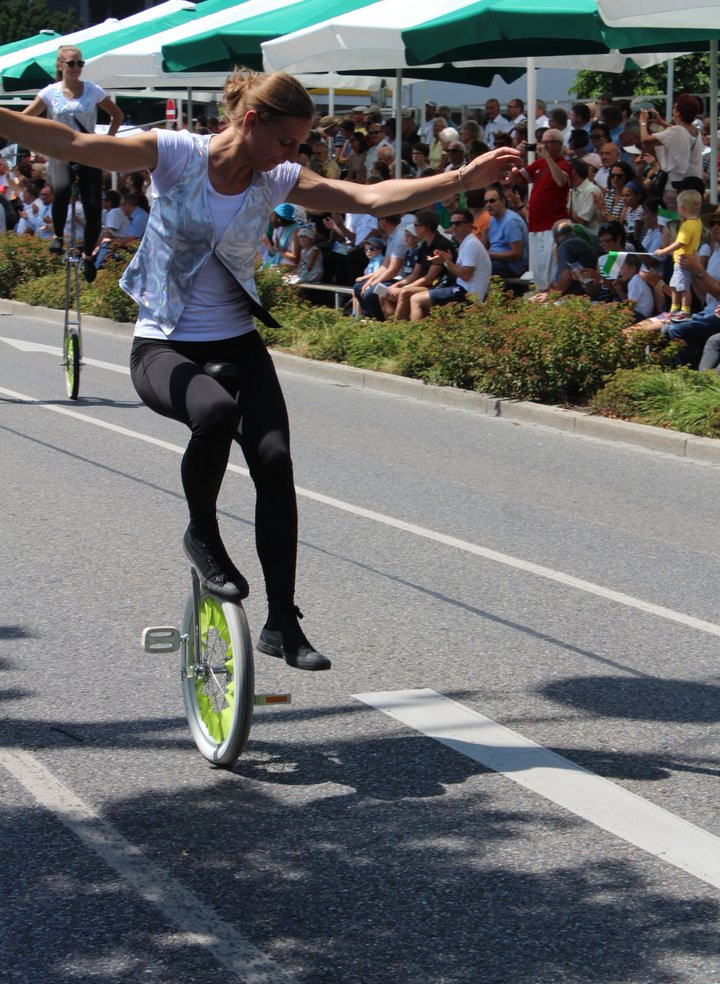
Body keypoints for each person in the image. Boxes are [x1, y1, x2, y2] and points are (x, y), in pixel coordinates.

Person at [0, 68, 519, 671]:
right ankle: (201, 532)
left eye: (300, 146)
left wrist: (463, 176)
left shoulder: (275, 178)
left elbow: (367, 197)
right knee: (214, 412)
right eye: (286, 142)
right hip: (164, 344)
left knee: (274, 462)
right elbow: (72, 146)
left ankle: (282, 622)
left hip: (239, 341)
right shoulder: (173, 154)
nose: (292, 156)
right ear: (250, 122)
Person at [22, 43, 124, 282]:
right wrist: (38, 143)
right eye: (71, 63)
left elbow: (117, 114)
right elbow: (25, 118)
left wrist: (109, 140)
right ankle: (58, 236)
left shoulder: (92, 90)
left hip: (88, 151)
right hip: (60, 152)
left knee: (93, 209)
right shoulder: (50, 92)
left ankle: (88, 256)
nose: (76, 67)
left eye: (80, 63)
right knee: (62, 190)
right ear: (60, 66)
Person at [409, 208, 492, 320]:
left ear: (469, 225)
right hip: (461, 289)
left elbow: (466, 275)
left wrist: (447, 261)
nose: (453, 226)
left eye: (458, 223)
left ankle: (414, 336)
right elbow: (460, 274)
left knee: (416, 300)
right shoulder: (467, 243)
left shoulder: (471, 244)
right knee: (421, 299)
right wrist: (447, 262)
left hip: (467, 294)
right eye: (451, 223)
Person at [518, 129, 572, 290]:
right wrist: (518, 155)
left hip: (552, 227)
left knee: (551, 270)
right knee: (539, 272)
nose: (545, 145)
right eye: (543, 142)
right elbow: (517, 177)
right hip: (535, 226)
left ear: (559, 145)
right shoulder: (538, 164)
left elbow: (561, 181)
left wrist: (547, 157)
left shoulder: (564, 164)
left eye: (549, 142)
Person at [654, 188, 703, 320]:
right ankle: (675, 308)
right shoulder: (697, 222)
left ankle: (684, 310)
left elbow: (679, 243)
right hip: (681, 260)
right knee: (675, 285)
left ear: (683, 208)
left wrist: (662, 251)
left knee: (683, 287)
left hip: (682, 261)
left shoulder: (687, 226)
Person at [481, 185, 528, 278]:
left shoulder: (510, 221)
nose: (488, 205)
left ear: (502, 201)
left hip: (513, 266)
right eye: (485, 202)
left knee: (480, 268)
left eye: (492, 201)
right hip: (498, 262)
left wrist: (490, 255)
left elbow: (517, 254)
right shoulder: (492, 219)